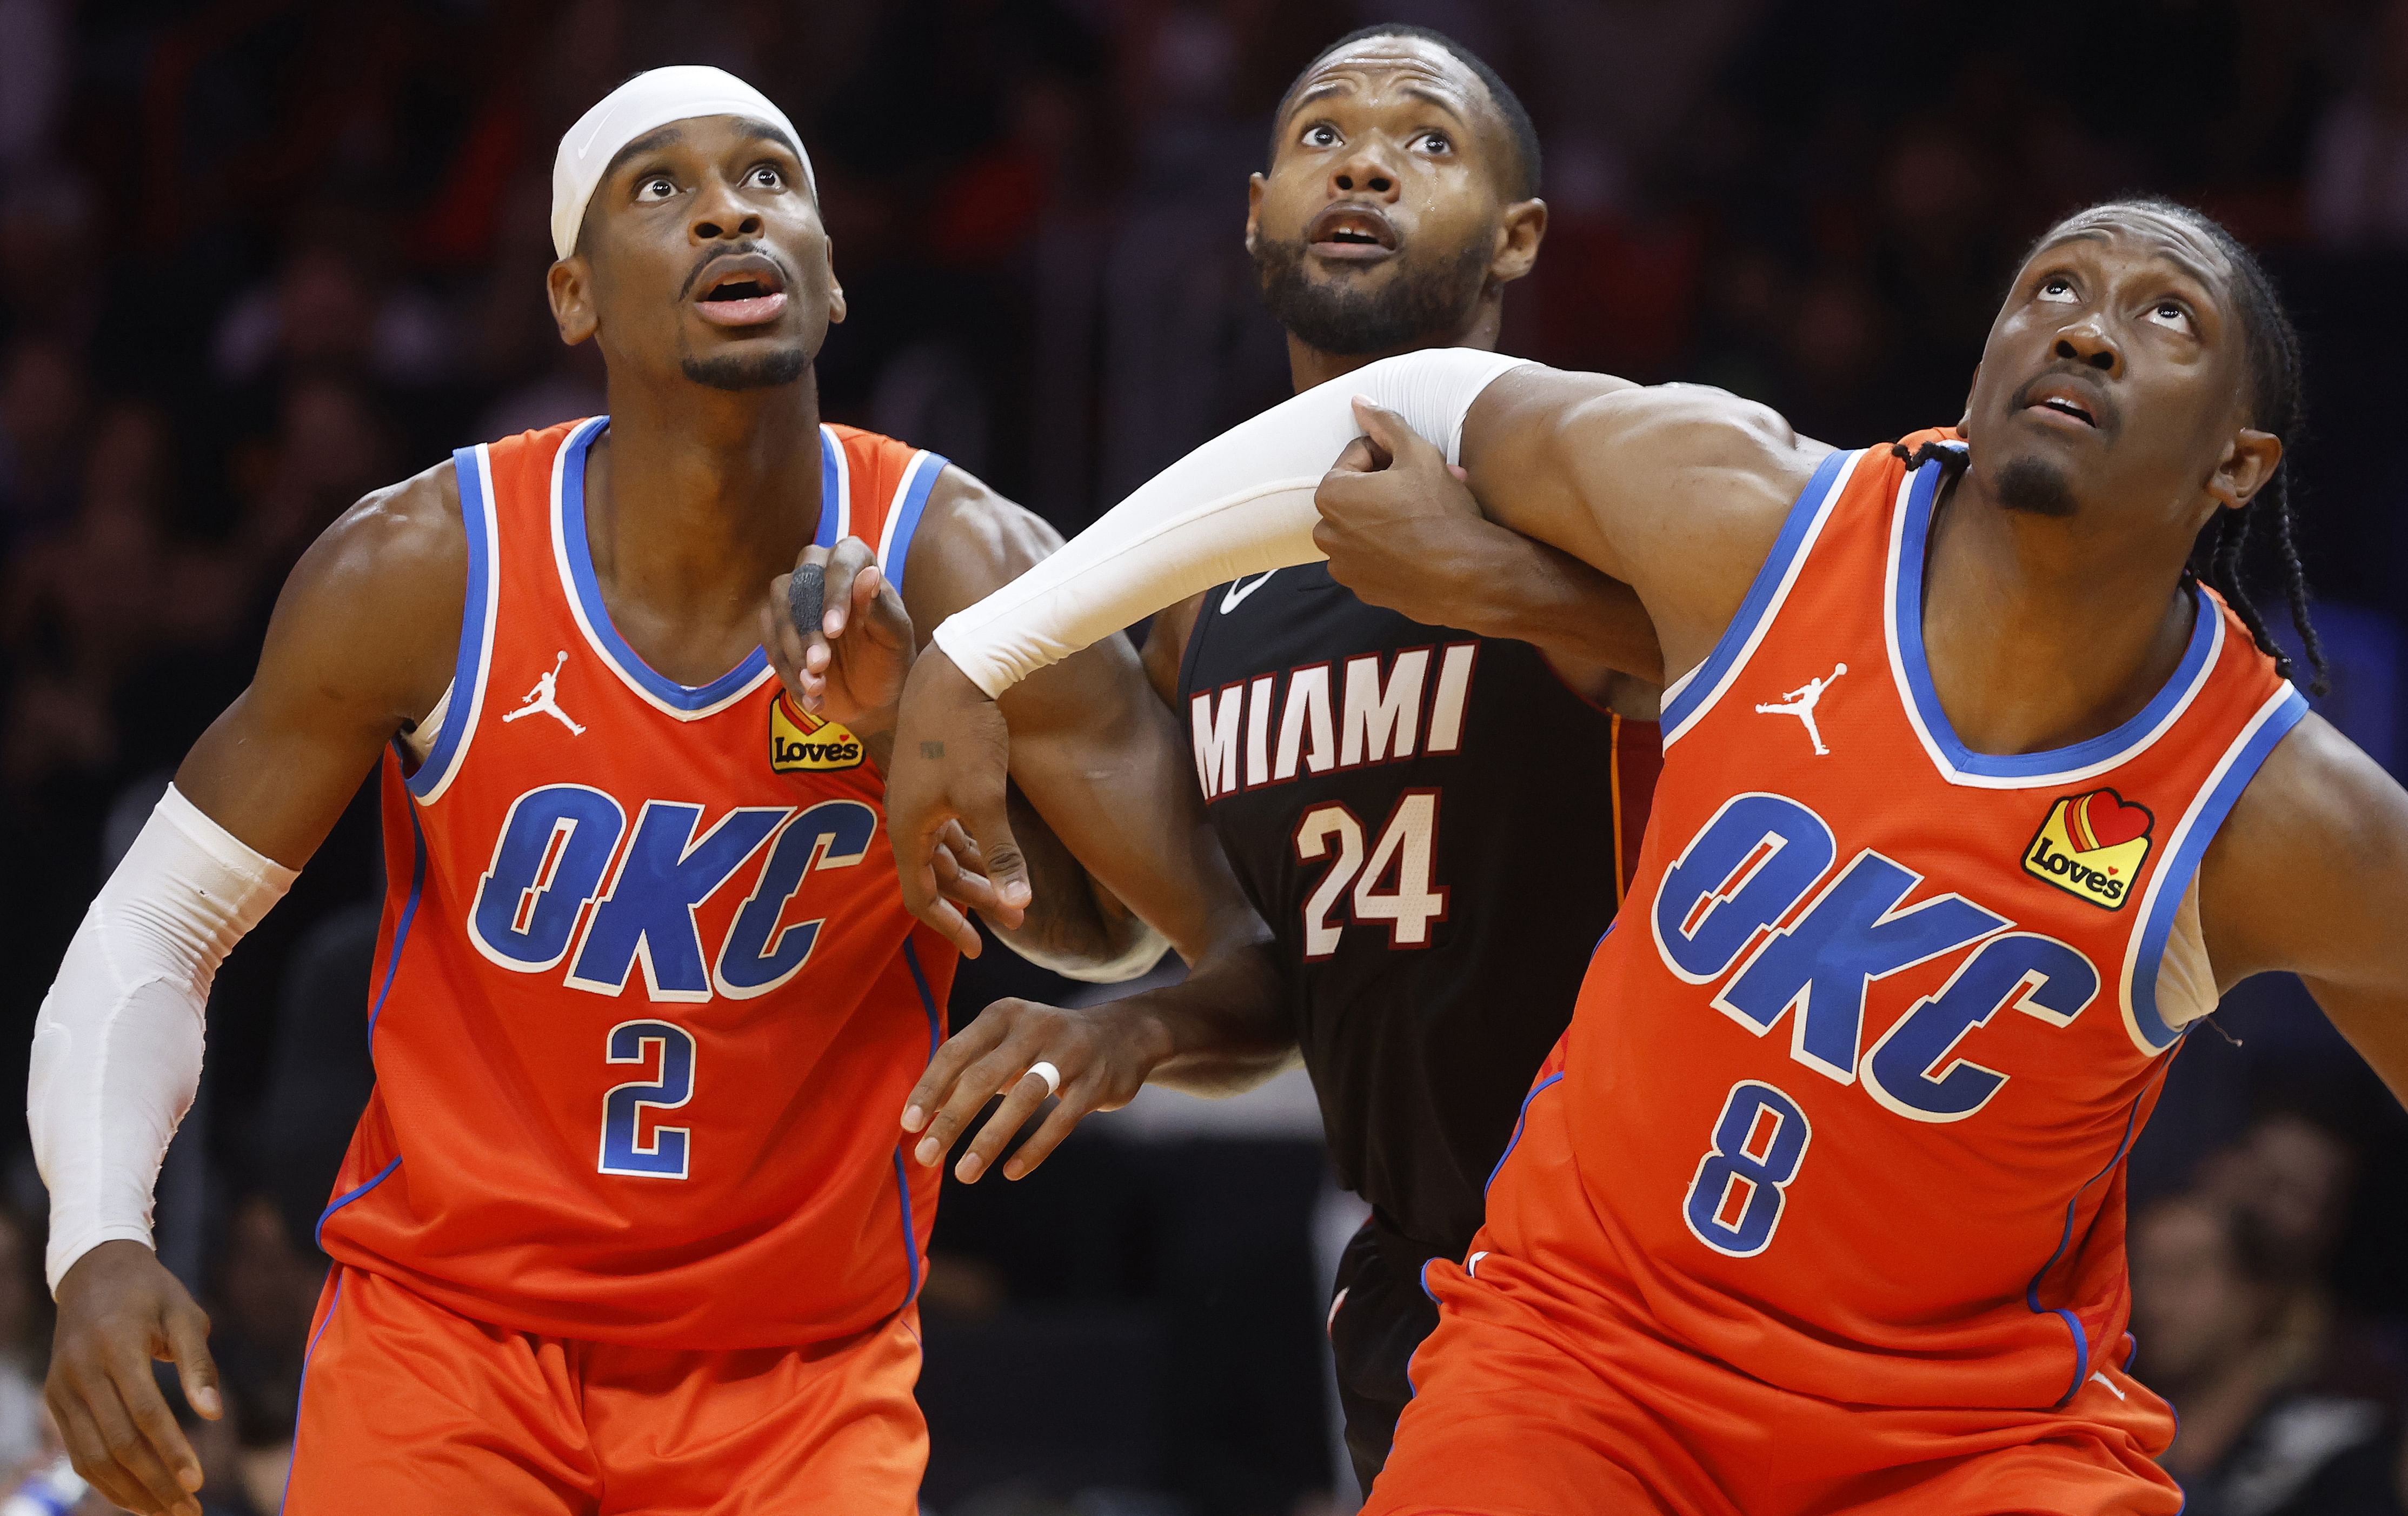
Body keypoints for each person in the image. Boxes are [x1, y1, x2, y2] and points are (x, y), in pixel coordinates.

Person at [885, 196, 2408, 1512]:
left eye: (2163, 317)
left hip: (1965, 1435)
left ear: (2239, 462)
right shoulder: (1755, 514)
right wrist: (991, 643)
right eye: (2051, 291)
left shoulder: (2275, 809)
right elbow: (1414, 399)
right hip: (1589, 1354)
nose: (2083, 329)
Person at [30, 66, 1260, 1516]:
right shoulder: (422, 569)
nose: (729, 206)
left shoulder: (967, 568)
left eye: (769, 177)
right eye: (658, 188)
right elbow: (154, 927)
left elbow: (1194, 941)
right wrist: (98, 1240)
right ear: (571, 298)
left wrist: (1095, 1000)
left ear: (831, 274)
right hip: (454, 1352)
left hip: (802, 1375)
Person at [878, 25, 1661, 1486]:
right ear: (1253, 215)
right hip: (1426, 1277)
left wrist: (1498, 581)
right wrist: (1135, 1030)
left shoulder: (1587, 480)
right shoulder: (1204, 606)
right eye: (1322, 136)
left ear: (1518, 239)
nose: (1363, 160)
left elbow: (1789, 672)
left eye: (1427, 142)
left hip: (1656, 1260)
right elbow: (1277, 968)